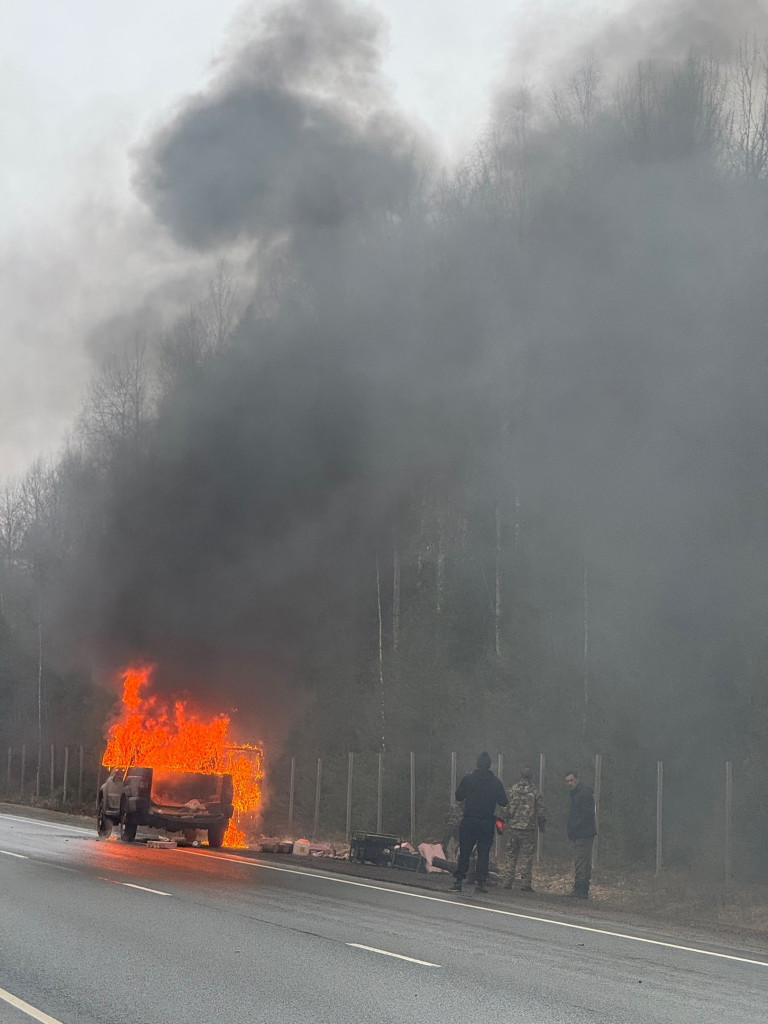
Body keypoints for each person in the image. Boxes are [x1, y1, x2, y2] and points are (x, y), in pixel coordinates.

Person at [450, 751, 507, 894]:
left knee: (465, 851)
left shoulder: (468, 779)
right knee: (484, 853)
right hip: (487, 822)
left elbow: (458, 796)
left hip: (469, 820)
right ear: (489, 765)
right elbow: (503, 801)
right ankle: (480, 883)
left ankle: (458, 881)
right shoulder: (496, 782)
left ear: (477, 764)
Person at [503, 766, 546, 892]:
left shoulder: (512, 790)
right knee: (527, 857)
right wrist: (541, 825)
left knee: (511, 855)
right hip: (528, 829)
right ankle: (525, 883)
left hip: (513, 828)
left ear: (520, 775)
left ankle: (507, 881)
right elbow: (541, 812)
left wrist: (507, 819)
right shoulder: (535, 792)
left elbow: (504, 807)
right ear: (531, 777)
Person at [565, 770, 597, 898]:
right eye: (567, 781)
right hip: (580, 832)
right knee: (582, 861)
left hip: (583, 833)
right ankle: (581, 889)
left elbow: (585, 814)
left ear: (577, 779)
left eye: (571, 780)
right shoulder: (576, 793)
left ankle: (580, 890)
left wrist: (576, 827)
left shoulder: (583, 793)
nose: (570, 783)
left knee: (581, 861)